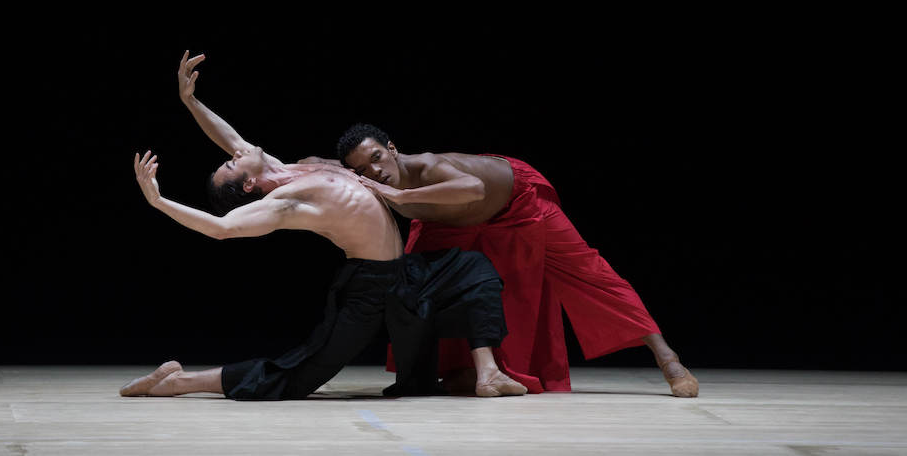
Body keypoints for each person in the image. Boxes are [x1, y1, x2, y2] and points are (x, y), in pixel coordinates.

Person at [120, 52, 527, 400]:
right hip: (370, 287)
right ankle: (178, 383)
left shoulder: (287, 169)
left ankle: (488, 372)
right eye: (231, 162)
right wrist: (158, 201)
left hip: (403, 274)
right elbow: (220, 227)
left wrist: (190, 102)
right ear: (248, 184)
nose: (236, 151)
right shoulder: (283, 202)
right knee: (301, 374)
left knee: (475, 270)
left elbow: (229, 137)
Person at [328, 123, 698, 398]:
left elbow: (474, 188)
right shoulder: (368, 177)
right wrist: (273, 174)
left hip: (518, 204)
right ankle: (457, 371)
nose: (373, 172)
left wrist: (400, 197)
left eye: (376, 158)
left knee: (589, 271)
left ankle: (668, 359)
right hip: (448, 221)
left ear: (391, 148)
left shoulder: (428, 166)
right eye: (362, 170)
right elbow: (310, 162)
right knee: (411, 284)